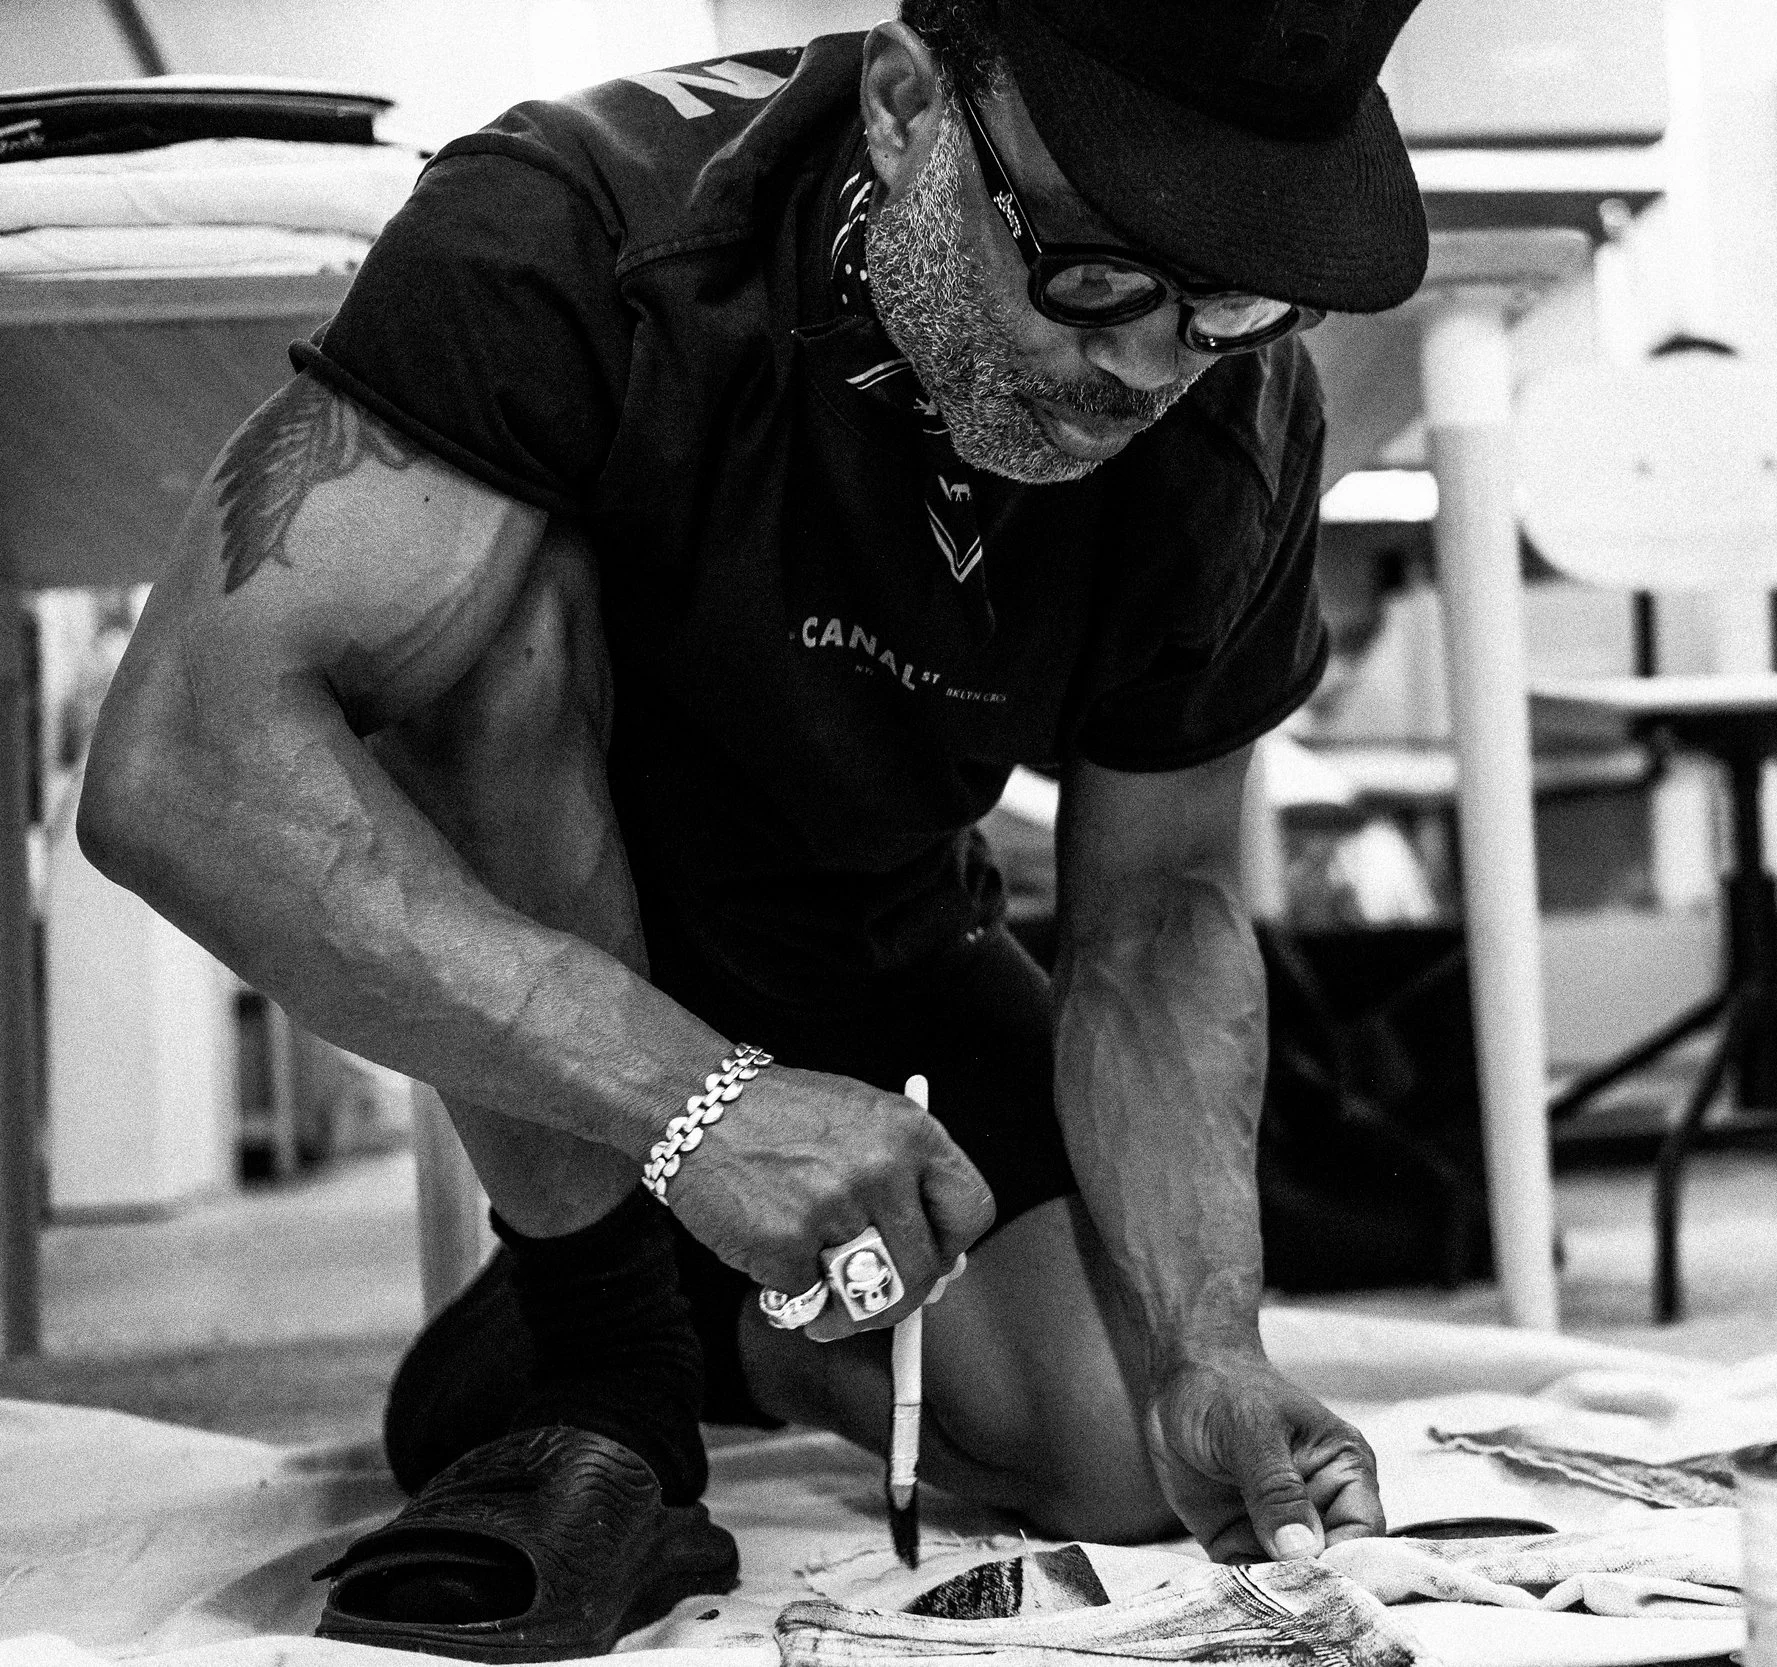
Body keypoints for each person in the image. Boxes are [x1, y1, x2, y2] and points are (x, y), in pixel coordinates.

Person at [79, 0, 1430, 1655]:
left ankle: (755, 1323)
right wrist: (696, 1104)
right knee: (486, 630)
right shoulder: (576, 226)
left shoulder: (1235, 414)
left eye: (1226, 295)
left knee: (1123, 1448)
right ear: (911, 109)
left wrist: (1210, 1344)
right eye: (1095, 276)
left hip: (880, 936)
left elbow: (1156, 915)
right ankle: (600, 1336)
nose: (1151, 364)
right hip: (561, 915)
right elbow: (182, 767)